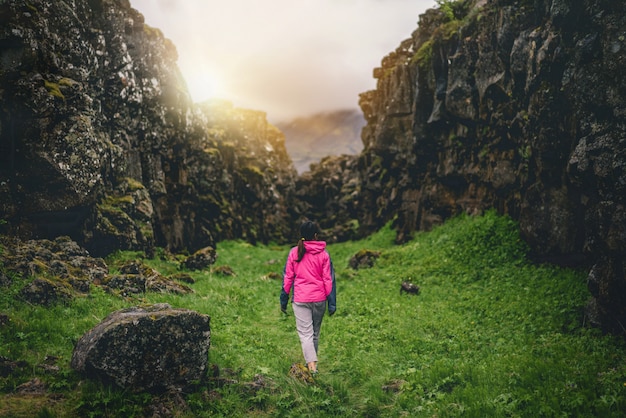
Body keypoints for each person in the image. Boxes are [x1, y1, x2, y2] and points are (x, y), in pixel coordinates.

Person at [280, 220, 336, 375]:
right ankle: (313, 367)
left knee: (306, 334)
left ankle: (311, 367)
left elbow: (288, 278)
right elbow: (328, 280)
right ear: (316, 235)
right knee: (314, 334)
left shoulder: (294, 252)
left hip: (300, 299)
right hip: (319, 299)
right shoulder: (324, 254)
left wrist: (283, 300)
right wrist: (332, 303)